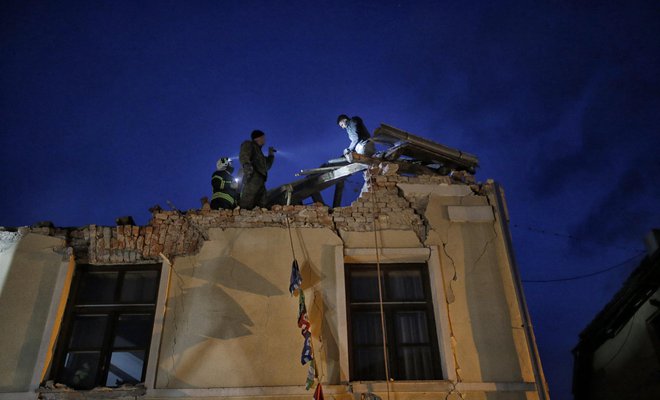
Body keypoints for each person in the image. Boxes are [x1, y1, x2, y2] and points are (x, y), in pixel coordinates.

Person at [239, 130, 275, 209]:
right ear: (258, 138)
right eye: (263, 137)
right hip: (253, 176)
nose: (265, 140)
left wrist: (271, 155)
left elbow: (267, 166)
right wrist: (247, 166)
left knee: (263, 204)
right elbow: (244, 154)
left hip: (261, 180)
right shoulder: (249, 144)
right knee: (248, 199)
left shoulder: (260, 153)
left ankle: (260, 219)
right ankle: (242, 215)